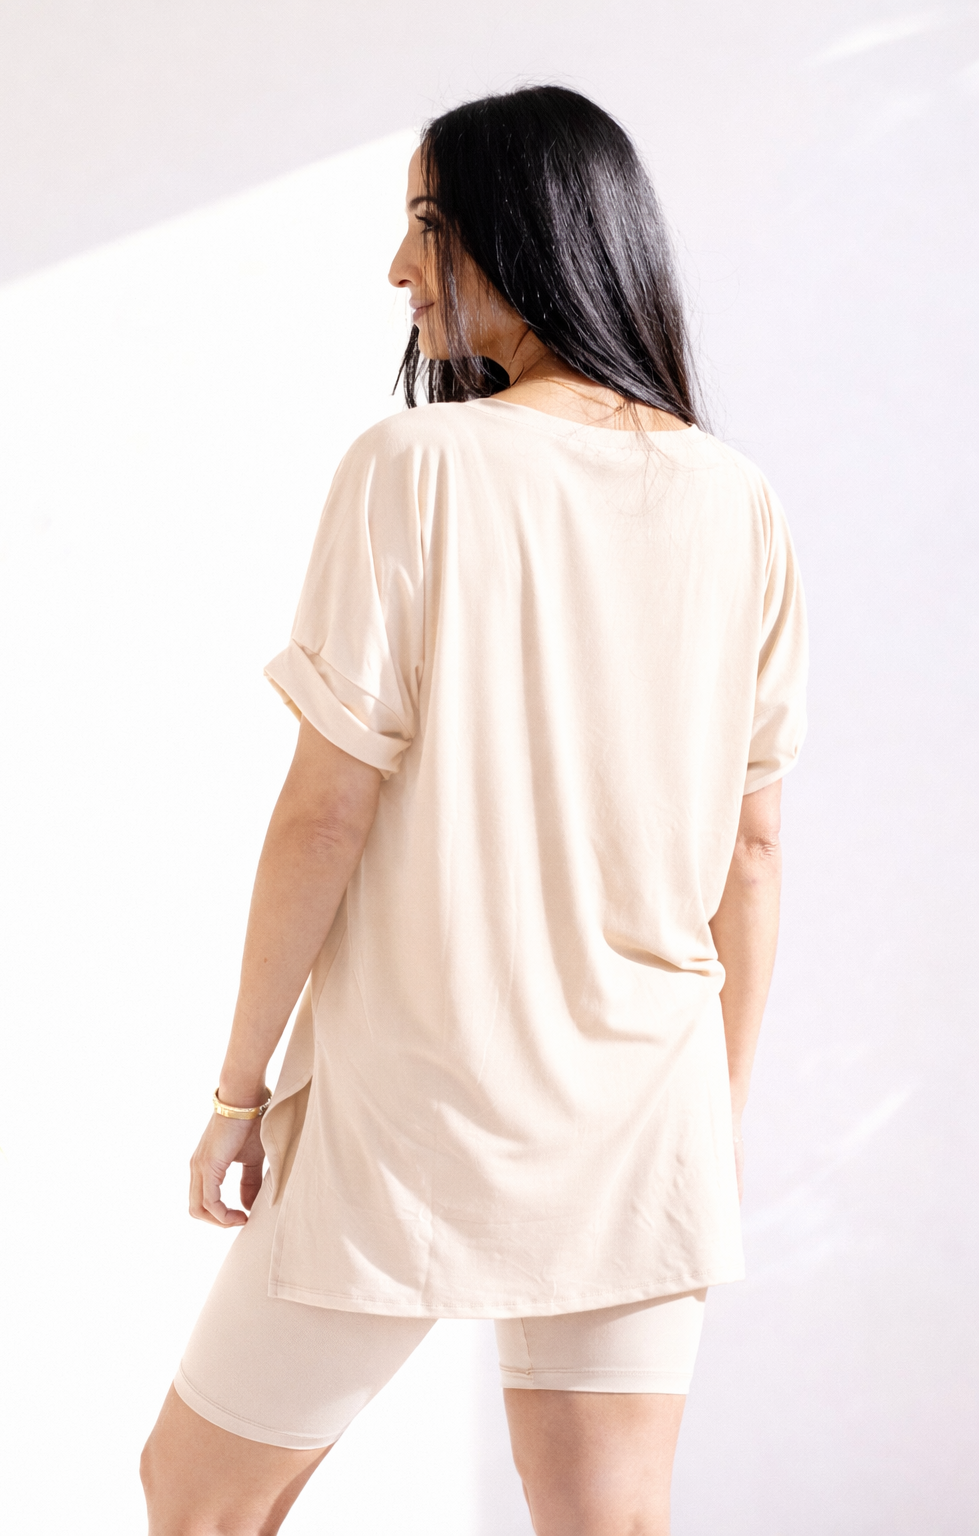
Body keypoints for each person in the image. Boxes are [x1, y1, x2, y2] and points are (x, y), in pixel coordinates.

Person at [140, 84, 808, 1536]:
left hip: (411, 1102)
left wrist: (239, 1097)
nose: (400, 268)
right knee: (606, 1521)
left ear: (530, 233)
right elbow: (754, 854)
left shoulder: (415, 464)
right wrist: (715, 1121)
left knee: (194, 1499)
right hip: (641, 1112)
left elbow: (325, 816)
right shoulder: (737, 497)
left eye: (427, 225)